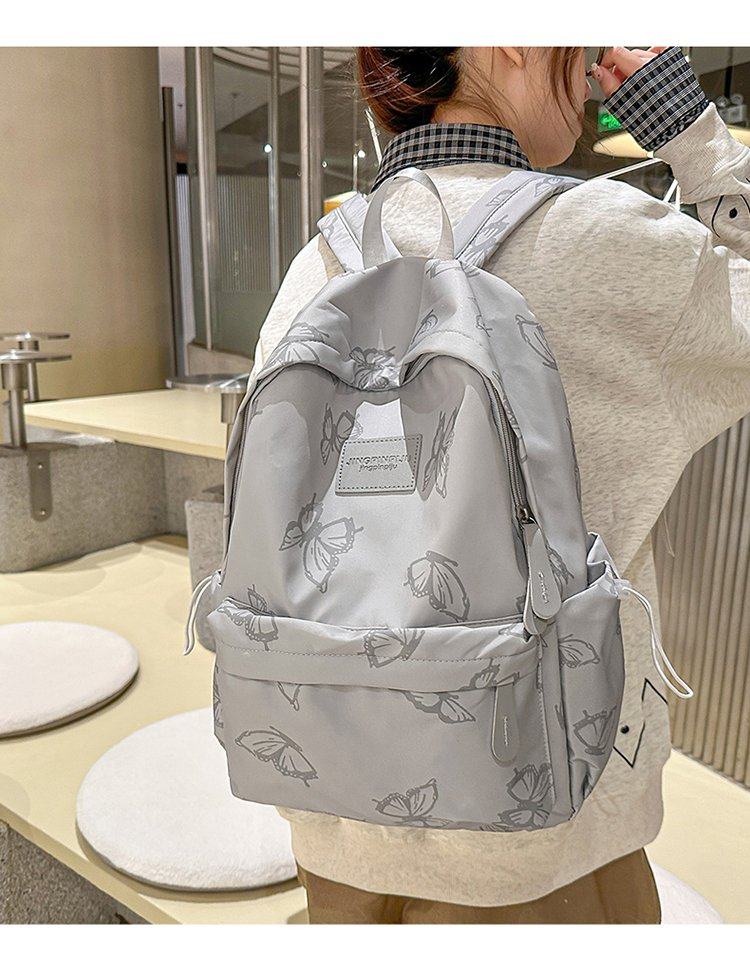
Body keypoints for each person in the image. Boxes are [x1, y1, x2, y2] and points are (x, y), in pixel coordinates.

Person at [250, 46, 750, 923]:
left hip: (325, 805)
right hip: (537, 852)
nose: (589, 68)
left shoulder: (315, 265)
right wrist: (690, 132)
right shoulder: (608, 238)